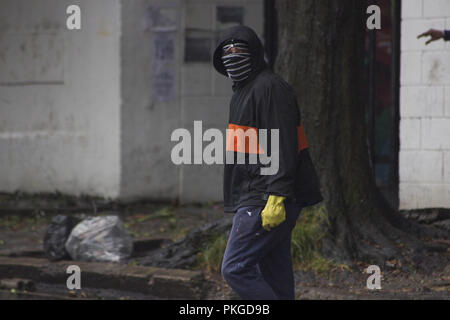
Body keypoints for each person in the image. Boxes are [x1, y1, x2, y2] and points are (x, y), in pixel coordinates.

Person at [212, 25, 323, 300]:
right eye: (227, 51)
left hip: (266, 196)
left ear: (255, 52)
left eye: (240, 50)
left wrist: (277, 195)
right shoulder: (244, 91)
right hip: (259, 193)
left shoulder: (269, 88)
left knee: (235, 268)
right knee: (275, 271)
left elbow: (284, 145)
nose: (233, 56)